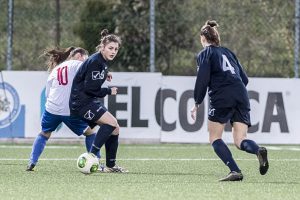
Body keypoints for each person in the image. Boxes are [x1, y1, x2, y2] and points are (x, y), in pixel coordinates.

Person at [190, 20, 269, 181]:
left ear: (202, 38)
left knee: (214, 138)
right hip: (241, 94)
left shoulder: (205, 54)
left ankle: (235, 170)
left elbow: (202, 79)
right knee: (240, 140)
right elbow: (244, 79)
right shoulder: (228, 52)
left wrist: (197, 102)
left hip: (222, 96)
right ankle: (257, 150)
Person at [26, 46, 101, 171]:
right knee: (90, 132)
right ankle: (97, 162)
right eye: (85, 58)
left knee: (44, 133)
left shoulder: (56, 69)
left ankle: (31, 162)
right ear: (79, 56)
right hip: (71, 110)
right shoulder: (79, 64)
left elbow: (48, 93)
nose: (86, 61)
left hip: (52, 108)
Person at [69, 29, 127, 173]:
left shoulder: (101, 61)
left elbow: (91, 78)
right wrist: (109, 90)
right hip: (82, 103)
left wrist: (105, 74)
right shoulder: (96, 61)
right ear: (102, 47)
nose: (113, 51)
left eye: (116, 49)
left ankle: (110, 166)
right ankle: (91, 156)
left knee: (115, 127)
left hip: (86, 101)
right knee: (111, 123)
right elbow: (90, 89)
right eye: (110, 48)